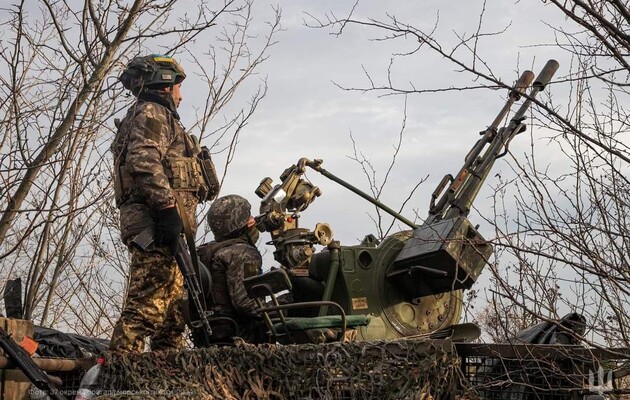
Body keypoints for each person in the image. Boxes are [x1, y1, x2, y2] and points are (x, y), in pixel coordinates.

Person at [109, 54, 218, 353]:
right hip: (156, 229)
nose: (181, 96)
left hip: (169, 230)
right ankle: (115, 379)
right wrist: (167, 209)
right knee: (145, 310)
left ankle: (165, 382)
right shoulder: (152, 113)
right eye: (179, 88)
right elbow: (143, 160)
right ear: (164, 84)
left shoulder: (156, 116)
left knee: (172, 318)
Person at [196, 194, 265, 345]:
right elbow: (246, 304)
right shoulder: (242, 253)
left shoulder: (206, 252)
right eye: (248, 216)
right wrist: (281, 303)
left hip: (210, 335)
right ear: (239, 224)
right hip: (240, 336)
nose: (253, 219)